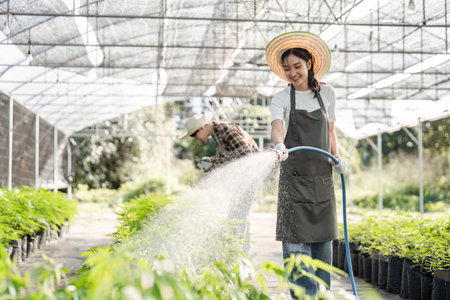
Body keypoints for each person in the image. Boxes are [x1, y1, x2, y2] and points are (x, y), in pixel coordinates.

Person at [265, 31, 347, 298]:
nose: (292, 73)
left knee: (324, 248)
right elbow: (277, 126)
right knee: (296, 251)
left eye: (297, 66)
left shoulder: (328, 94)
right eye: (287, 68)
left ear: (309, 63)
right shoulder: (281, 99)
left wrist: (337, 158)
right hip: (294, 183)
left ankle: (322, 294)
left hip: (323, 181)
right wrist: (279, 145)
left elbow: (331, 131)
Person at [181, 112, 260, 252]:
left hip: (248, 176)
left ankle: (237, 255)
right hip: (245, 177)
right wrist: (211, 162)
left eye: (194, 135)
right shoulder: (218, 133)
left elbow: (247, 156)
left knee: (237, 216)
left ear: (202, 128)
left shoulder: (224, 129)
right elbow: (230, 157)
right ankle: (241, 254)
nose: (195, 139)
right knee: (241, 216)